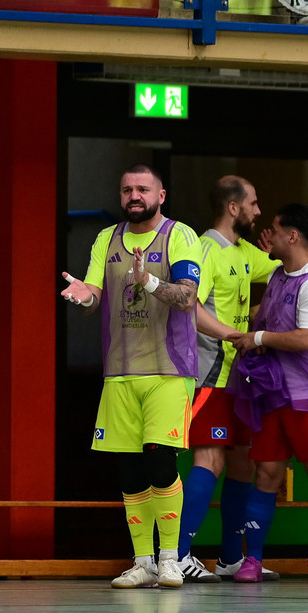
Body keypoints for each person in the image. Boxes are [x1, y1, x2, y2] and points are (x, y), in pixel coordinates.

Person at [60, 163, 202, 589]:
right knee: (130, 470)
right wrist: (83, 298)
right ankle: (143, 562)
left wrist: (149, 281)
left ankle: (171, 558)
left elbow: (187, 297)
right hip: (119, 373)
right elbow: (93, 296)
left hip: (169, 371)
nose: (134, 196)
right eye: (126, 190)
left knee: (159, 459)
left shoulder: (180, 235)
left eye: (142, 189)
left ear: (161, 196)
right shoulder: (106, 238)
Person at [227, 203, 308, 582]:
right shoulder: (280, 276)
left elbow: (305, 339)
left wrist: (258, 338)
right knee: (266, 474)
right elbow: (269, 317)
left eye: (276, 230)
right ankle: (253, 560)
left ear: (292, 236)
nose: (269, 236)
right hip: (271, 394)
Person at [175, 176, 281, 583]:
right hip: (210, 375)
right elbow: (190, 307)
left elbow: (288, 266)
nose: (258, 211)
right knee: (210, 460)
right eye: (253, 203)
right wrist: (234, 335)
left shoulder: (244, 250)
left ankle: (231, 559)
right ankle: (178, 556)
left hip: (242, 379)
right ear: (233, 208)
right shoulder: (204, 249)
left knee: (242, 464)